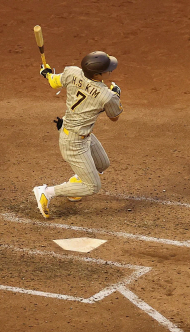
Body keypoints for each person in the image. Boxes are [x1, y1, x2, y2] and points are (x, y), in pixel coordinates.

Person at [33, 51, 123, 218]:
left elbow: (54, 82)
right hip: (73, 142)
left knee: (102, 164)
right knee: (93, 187)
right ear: (97, 74)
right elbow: (114, 117)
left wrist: (46, 73)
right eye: (107, 69)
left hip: (81, 134)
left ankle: (74, 187)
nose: (110, 71)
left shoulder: (73, 72)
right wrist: (117, 94)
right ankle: (46, 192)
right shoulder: (107, 96)